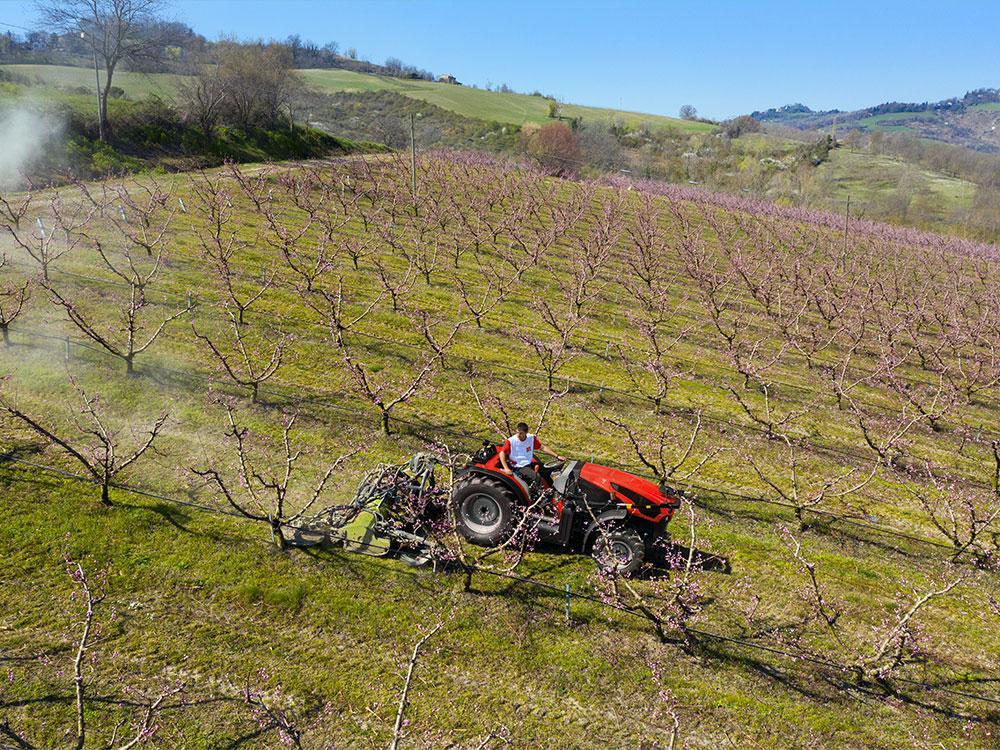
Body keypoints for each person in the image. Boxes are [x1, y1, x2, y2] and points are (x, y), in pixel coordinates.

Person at [498, 422, 565, 492]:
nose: (518, 435)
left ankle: (553, 489)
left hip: (529, 463)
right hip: (519, 466)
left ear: (526, 432)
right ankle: (541, 494)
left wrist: (557, 456)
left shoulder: (531, 438)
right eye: (517, 432)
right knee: (536, 477)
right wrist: (506, 468)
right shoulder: (511, 441)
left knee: (549, 469)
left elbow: (543, 448)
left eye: (521, 433)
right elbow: (502, 453)